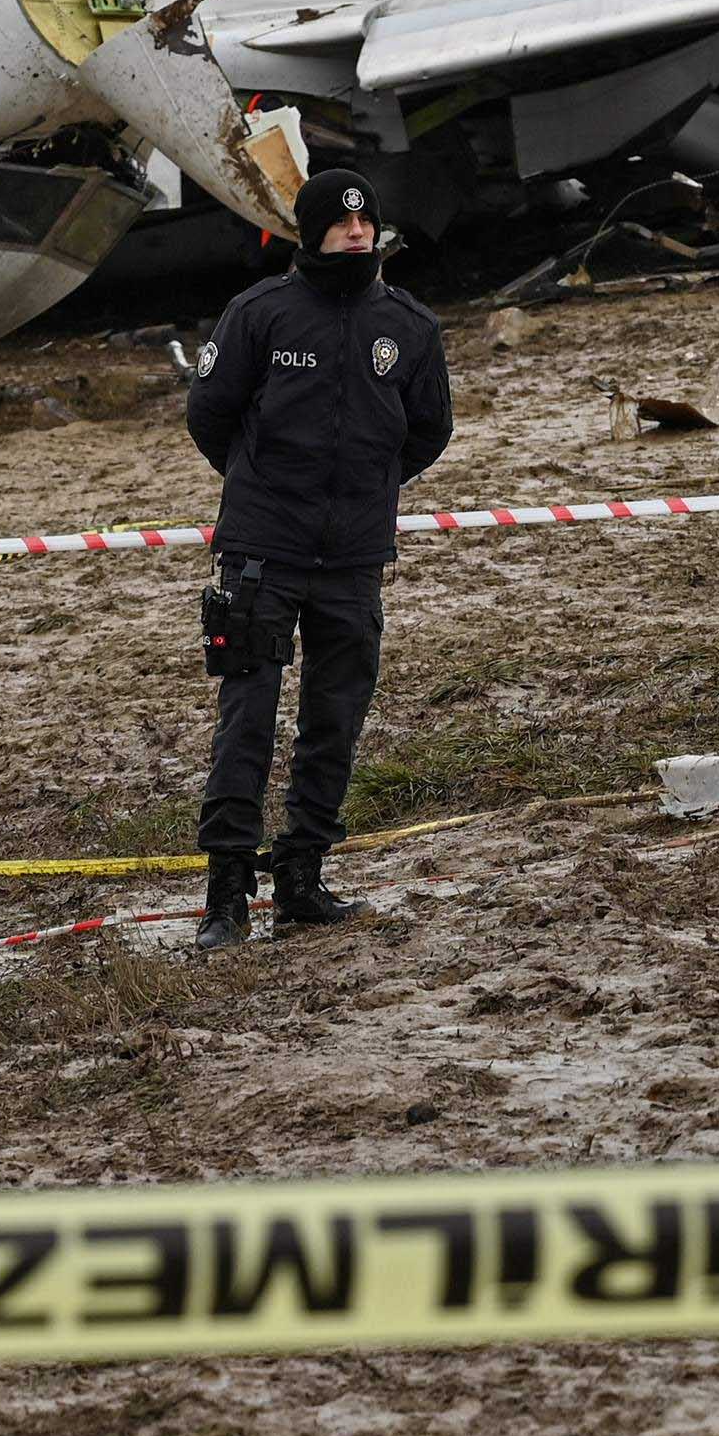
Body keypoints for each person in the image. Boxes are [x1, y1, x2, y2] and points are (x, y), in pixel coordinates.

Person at [180, 166, 453, 952]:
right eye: (339, 222)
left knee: (335, 719)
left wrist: (365, 489)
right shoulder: (258, 313)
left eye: (365, 221)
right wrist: (264, 487)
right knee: (247, 721)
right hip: (261, 553)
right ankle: (225, 895)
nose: (356, 232)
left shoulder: (408, 324)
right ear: (310, 231)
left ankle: (301, 877)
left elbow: (428, 431)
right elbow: (210, 415)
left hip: (354, 559)